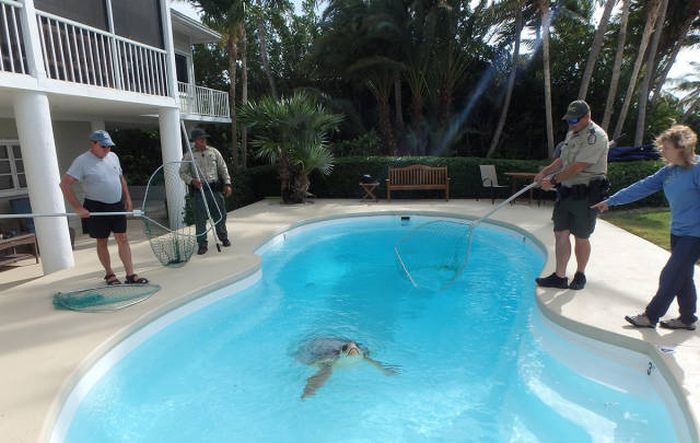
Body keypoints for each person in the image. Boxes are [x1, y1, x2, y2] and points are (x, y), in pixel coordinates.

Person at [592, 125, 700, 330]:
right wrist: (611, 201)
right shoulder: (669, 171)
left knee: (670, 274)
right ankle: (687, 318)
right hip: (678, 232)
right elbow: (642, 187)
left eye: (667, 147)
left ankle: (651, 316)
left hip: (695, 235)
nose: (663, 151)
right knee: (683, 276)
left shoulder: (697, 169)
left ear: (682, 148)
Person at [534, 100, 609, 290]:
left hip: (585, 194)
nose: (571, 123)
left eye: (575, 120)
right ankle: (560, 276)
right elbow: (563, 160)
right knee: (560, 233)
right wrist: (545, 171)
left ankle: (580, 273)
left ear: (587, 116)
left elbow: (578, 167)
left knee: (581, 236)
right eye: (569, 120)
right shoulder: (572, 133)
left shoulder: (596, 136)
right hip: (566, 192)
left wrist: (552, 180)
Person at [59, 130, 148, 285]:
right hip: (96, 206)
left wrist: (127, 198)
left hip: (116, 204)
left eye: (109, 146)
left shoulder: (113, 157)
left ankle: (130, 275)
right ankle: (110, 274)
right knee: (102, 240)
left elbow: (121, 178)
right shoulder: (82, 161)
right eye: (103, 146)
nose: (107, 149)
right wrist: (78, 207)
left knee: (123, 238)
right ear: (92, 144)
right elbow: (64, 184)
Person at [179, 128, 232, 255]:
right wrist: (192, 181)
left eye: (204, 138)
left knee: (220, 215)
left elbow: (223, 168)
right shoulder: (189, 155)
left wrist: (227, 183)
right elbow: (182, 172)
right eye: (200, 138)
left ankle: (223, 237)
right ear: (195, 141)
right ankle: (202, 244)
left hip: (214, 189)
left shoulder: (214, 152)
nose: (203, 140)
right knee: (200, 219)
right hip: (199, 191)